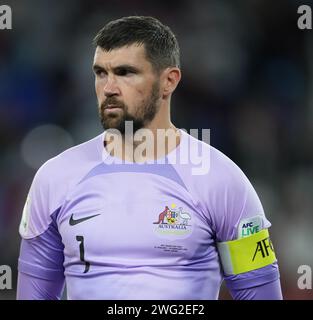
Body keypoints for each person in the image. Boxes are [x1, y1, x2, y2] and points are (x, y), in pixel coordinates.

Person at [16, 16, 282, 300]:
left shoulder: (221, 180)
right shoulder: (56, 177)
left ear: (169, 81)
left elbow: (261, 294)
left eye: (125, 72)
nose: (108, 88)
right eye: (100, 73)